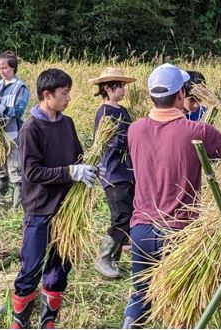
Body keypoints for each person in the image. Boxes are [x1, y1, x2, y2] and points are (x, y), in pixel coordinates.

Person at [121, 63, 221, 328]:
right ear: (181, 94)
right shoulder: (196, 132)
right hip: (179, 234)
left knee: (140, 296)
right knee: (181, 302)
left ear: (151, 97)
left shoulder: (134, 130)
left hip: (142, 230)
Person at [11, 68, 100, 329]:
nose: (68, 98)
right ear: (46, 95)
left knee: (60, 267)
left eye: (68, 92)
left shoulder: (66, 123)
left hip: (66, 208)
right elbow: (32, 171)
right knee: (31, 267)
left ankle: (47, 322)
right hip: (40, 209)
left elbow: (78, 156)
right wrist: (70, 172)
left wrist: (90, 167)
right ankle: (19, 324)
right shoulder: (31, 128)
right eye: (64, 93)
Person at [88, 67, 137, 278]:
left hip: (128, 171)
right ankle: (104, 258)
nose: (124, 90)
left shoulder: (123, 111)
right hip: (113, 172)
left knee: (129, 214)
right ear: (108, 88)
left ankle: (114, 261)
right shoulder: (104, 113)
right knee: (121, 217)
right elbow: (109, 142)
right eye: (120, 87)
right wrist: (131, 140)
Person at [0, 51, 30, 208]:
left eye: (5, 68)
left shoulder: (20, 87)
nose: (2, 71)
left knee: (15, 166)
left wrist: (3, 108)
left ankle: (16, 204)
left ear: (13, 68)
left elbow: (18, 111)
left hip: (12, 133)